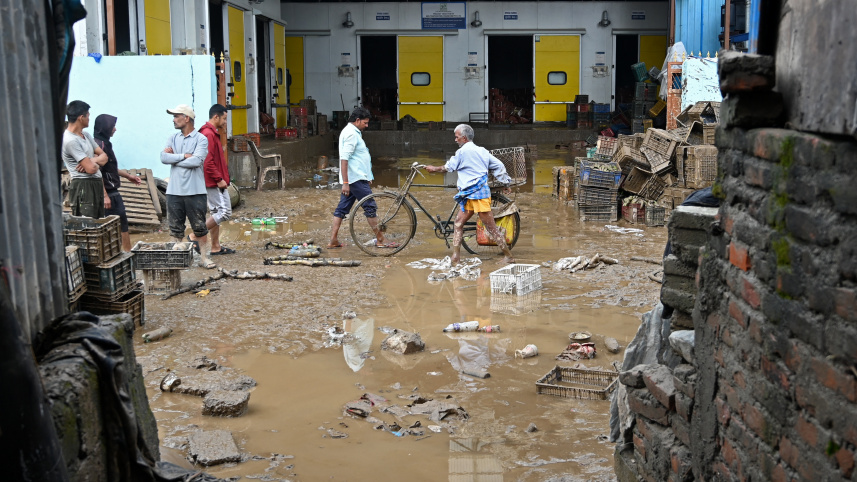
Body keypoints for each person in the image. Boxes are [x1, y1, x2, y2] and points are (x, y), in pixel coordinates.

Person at [425, 124, 515, 264]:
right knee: (458, 223)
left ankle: (508, 256)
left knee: (491, 229)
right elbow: (499, 165)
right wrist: (505, 182)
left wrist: (433, 168)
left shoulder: (462, 152)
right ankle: (456, 256)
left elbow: (448, 167)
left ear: (464, 138)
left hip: (478, 195)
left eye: (456, 137)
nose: (455, 140)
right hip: (469, 195)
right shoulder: (482, 151)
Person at [327, 107, 394, 249]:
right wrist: (346, 183)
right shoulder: (351, 134)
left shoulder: (352, 132)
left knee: (342, 208)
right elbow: (344, 159)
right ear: (357, 120)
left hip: (355, 178)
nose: (367, 125)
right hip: (354, 179)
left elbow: (357, 158)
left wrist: (366, 176)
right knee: (370, 206)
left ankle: (333, 240)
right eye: (365, 122)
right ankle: (381, 238)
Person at [160, 104, 215, 269]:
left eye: (177, 116)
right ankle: (177, 258)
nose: (174, 119)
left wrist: (174, 158)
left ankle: (205, 258)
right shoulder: (173, 138)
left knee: (199, 227)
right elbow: (163, 158)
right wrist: (183, 156)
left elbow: (197, 161)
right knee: (175, 228)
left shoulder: (201, 139)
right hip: (174, 191)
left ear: (187, 118)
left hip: (195, 191)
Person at [92, 114, 142, 252]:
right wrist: (105, 195)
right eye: (112, 126)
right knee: (118, 226)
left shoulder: (104, 142)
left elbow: (110, 167)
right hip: (109, 194)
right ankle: (125, 254)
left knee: (121, 224)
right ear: (105, 128)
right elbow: (96, 171)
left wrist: (127, 176)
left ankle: (127, 253)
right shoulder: (99, 145)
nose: (115, 129)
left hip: (112, 192)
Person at [193, 104, 235, 256]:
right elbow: (207, 161)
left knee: (216, 212)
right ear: (215, 117)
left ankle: (215, 246)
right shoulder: (208, 134)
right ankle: (194, 236)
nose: (225, 122)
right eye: (224, 119)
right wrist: (219, 179)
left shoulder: (209, 132)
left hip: (211, 180)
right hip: (213, 181)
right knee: (224, 212)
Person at [62, 100, 109, 218]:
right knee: (87, 227)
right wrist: (94, 162)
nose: (89, 119)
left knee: (98, 224)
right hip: (83, 186)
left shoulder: (86, 135)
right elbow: (92, 169)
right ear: (81, 118)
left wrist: (92, 160)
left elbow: (104, 157)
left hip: (95, 184)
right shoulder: (70, 140)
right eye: (88, 116)